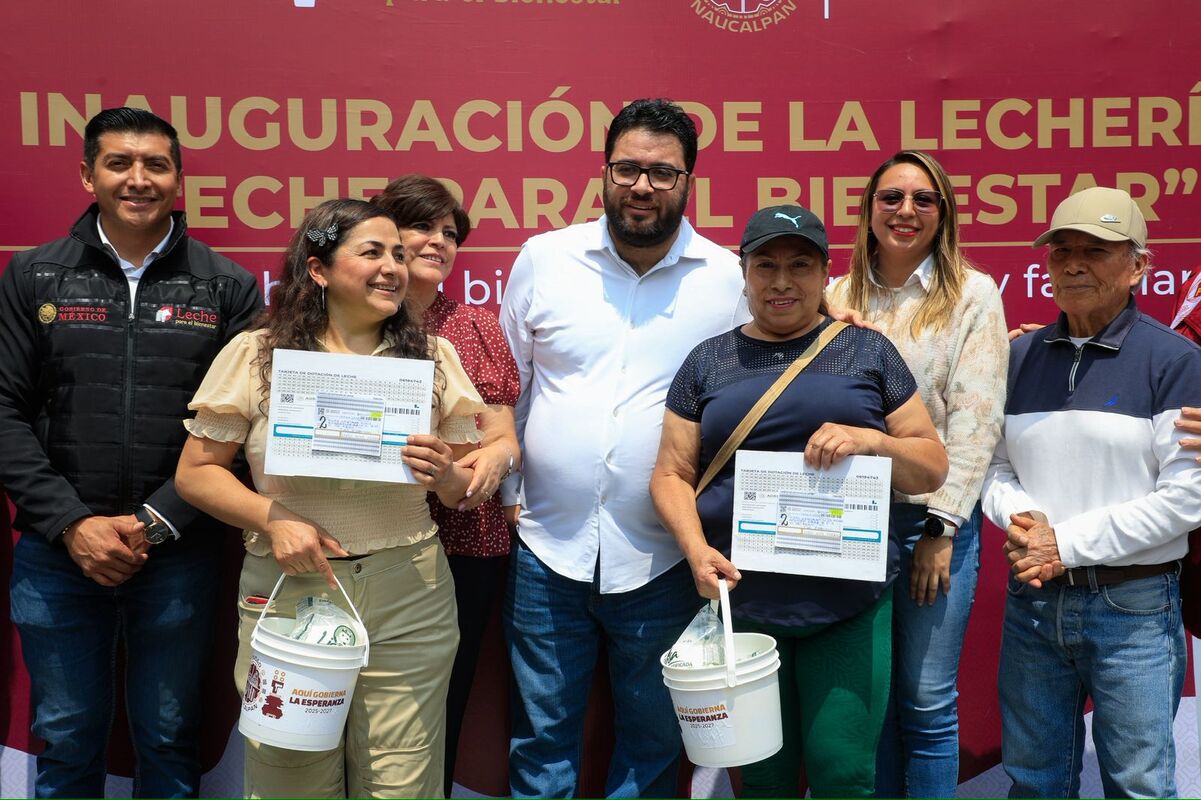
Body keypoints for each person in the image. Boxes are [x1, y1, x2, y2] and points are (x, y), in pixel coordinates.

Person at [174, 198, 488, 798]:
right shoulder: (257, 355)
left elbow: (464, 493)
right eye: (371, 253)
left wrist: (447, 474)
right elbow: (196, 474)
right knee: (290, 773)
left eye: (397, 254)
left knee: (402, 781)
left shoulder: (433, 358)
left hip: (411, 593)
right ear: (318, 269)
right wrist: (274, 519)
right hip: (291, 588)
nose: (392, 267)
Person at [0, 107, 262, 798]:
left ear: (179, 179)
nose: (138, 179)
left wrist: (156, 523)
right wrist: (72, 523)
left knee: (170, 737)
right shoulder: (33, 276)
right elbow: (3, 411)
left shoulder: (226, 286)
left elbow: (243, 430)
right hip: (57, 550)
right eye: (119, 163)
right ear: (88, 175)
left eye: (156, 165)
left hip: (177, 552)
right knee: (65, 736)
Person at [650, 204, 948, 798]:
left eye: (800, 266)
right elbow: (670, 474)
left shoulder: (868, 352)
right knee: (763, 778)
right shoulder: (708, 360)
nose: (782, 282)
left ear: (825, 272)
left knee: (844, 773)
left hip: (848, 605)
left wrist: (871, 441)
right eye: (766, 266)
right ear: (744, 273)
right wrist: (695, 550)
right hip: (744, 603)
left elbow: (932, 465)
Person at [497, 98, 748, 798]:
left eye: (662, 173)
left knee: (652, 747)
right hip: (547, 546)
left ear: (689, 180)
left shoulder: (728, 278)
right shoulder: (545, 260)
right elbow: (509, 388)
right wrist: (511, 494)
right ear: (603, 172)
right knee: (540, 744)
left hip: (663, 556)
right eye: (627, 168)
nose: (642, 186)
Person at [982, 186, 1201, 798]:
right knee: (1035, 782)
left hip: (1134, 608)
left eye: (1096, 251)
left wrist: (1062, 544)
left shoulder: (1175, 360)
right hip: (1033, 602)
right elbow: (992, 468)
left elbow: (1186, 498)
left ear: (1137, 266)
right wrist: (1026, 522)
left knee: (1138, 786)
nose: (1074, 265)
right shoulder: (1017, 356)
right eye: (1062, 252)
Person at [828, 150, 1008, 797]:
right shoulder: (835, 297)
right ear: (868, 210)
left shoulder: (972, 296)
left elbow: (976, 422)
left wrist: (940, 527)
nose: (905, 210)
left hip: (931, 524)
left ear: (943, 214)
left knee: (927, 704)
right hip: (847, 521)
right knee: (870, 703)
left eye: (922, 199)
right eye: (891, 197)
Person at [370, 175, 521, 795]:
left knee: (440, 707)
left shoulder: (477, 326)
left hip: (466, 542)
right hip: (364, 539)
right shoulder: (342, 325)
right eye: (421, 226)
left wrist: (487, 466)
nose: (438, 241)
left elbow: (504, 437)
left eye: (450, 233)